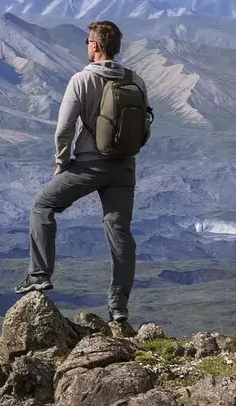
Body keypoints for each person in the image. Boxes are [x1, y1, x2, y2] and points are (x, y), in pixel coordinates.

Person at [19, 19, 147, 338]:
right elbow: (143, 128)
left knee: (42, 205)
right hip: (124, 168)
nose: (86, 46)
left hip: (89, 165)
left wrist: (62, 164)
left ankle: (39, 276)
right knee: (119, 234)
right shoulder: (136, 80)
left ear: (95, 45)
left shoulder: (82, 79)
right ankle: (118, 312)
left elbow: (64, 129)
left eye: (88, 41)